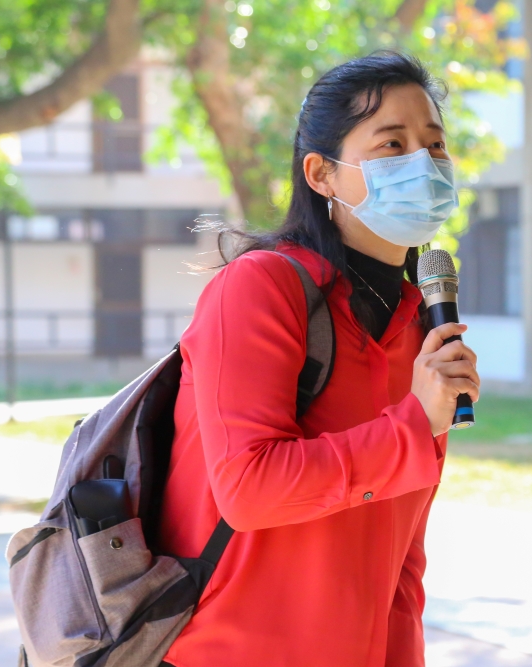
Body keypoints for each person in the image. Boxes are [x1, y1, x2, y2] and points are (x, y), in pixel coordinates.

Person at [157, 51, 480, 667]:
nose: (424, 163)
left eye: (435, 146)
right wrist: (415, 426)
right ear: (321, 173)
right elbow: (249, 490)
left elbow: (400, 554)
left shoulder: (419, 323)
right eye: (392, 144)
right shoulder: (260, 289)